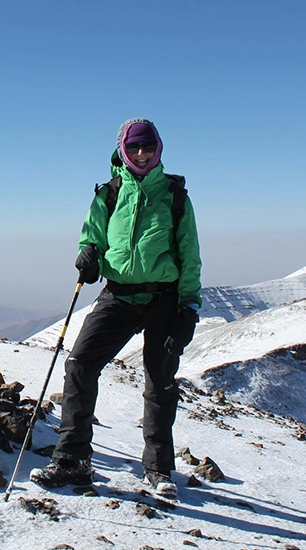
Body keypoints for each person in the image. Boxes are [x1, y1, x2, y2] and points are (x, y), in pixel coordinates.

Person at [30, 118, 201, 495]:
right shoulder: (109, 193)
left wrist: (189, 306)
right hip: (119, 294)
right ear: (123, 149)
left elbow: (190, 254)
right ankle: (72, 461)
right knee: (79, 364)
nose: (142, 153)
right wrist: (88, 253)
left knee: (160, 382)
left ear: (159, 149)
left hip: (164, 298)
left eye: (149, 147)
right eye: (135, 147)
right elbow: (92, 234)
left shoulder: (174, 197)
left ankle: (158, 471)